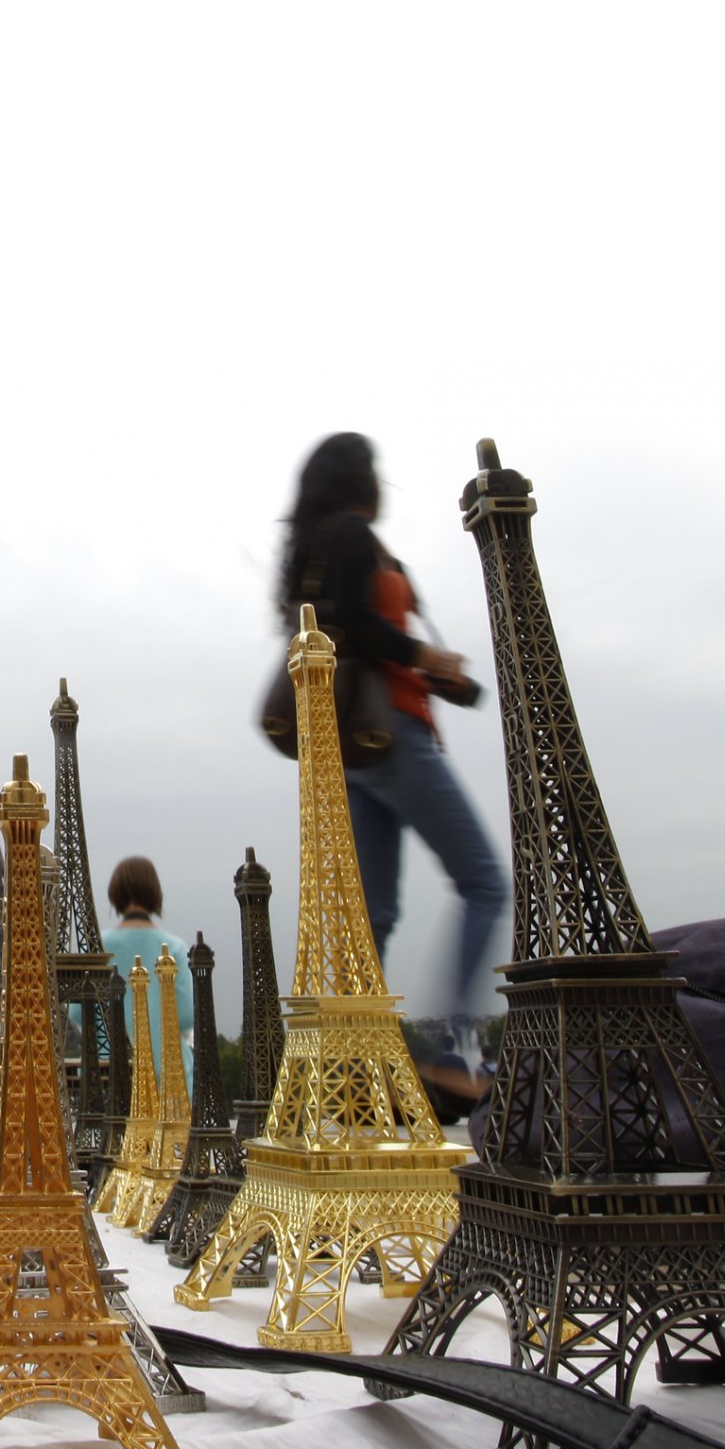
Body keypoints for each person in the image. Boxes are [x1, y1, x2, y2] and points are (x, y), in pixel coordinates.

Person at [277, 432, 508, 1026]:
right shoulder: (353, 536)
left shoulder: (309, 551)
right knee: (483, 882)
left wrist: (421, 669)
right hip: (393, 735)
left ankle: (357, 1058)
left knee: (374, 913)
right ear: (362, 481)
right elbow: (358, 626)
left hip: (345, 746)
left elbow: (339, 640)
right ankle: (455, 1034)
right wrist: (426, 658)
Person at [100, 856, 198, 1089]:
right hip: (169, 1076)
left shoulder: (99, 945)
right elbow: (186, 1015)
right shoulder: (175, 947)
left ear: (115, 894)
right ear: (155, 894)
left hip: (109, 1072)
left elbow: (76, 1013)